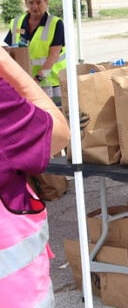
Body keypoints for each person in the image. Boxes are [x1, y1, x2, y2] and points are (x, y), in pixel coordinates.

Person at [0, 47, 70, 307]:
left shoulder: (52, 25)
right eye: (32, 1)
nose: (36, 4)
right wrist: (6, 63)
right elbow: (59, 134)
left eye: (38, 1)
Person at [4, 0, 66, 104]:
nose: (35, 7)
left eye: (39, 2)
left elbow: (53, 56)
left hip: (52, 83)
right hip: (26, 82)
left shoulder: (55, 24)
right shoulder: (16, 23)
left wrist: (37, 79)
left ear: (46, 2)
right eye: (31, 3)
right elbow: (9, 52)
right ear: (26, 3)